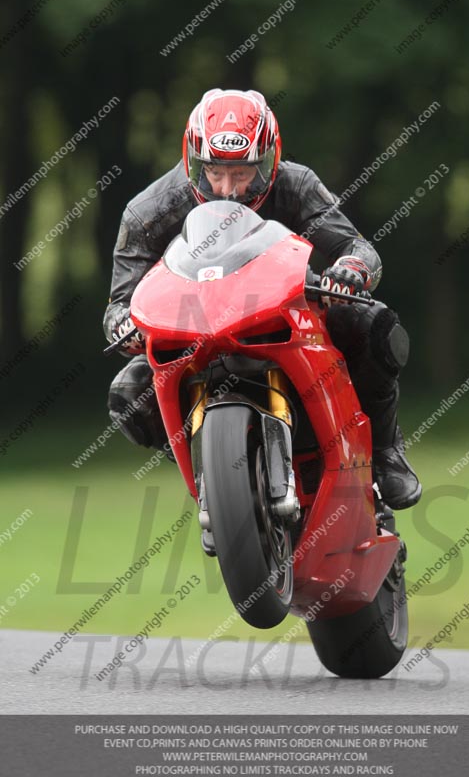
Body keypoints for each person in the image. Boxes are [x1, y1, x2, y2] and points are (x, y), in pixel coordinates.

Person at [104, 88, 421, 523]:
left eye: (244, 173)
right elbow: (118, 304)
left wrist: (349, 269)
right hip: (194, 336)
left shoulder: (298, 184)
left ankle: (386, 453)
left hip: (285, 318)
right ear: (195, 162)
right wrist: (125, 325)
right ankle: (212, 472)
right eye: (216, 172)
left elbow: (358, 248)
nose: (229, 189)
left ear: (270, 161)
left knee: (374, 325)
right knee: (128, 394)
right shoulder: (148, 211)